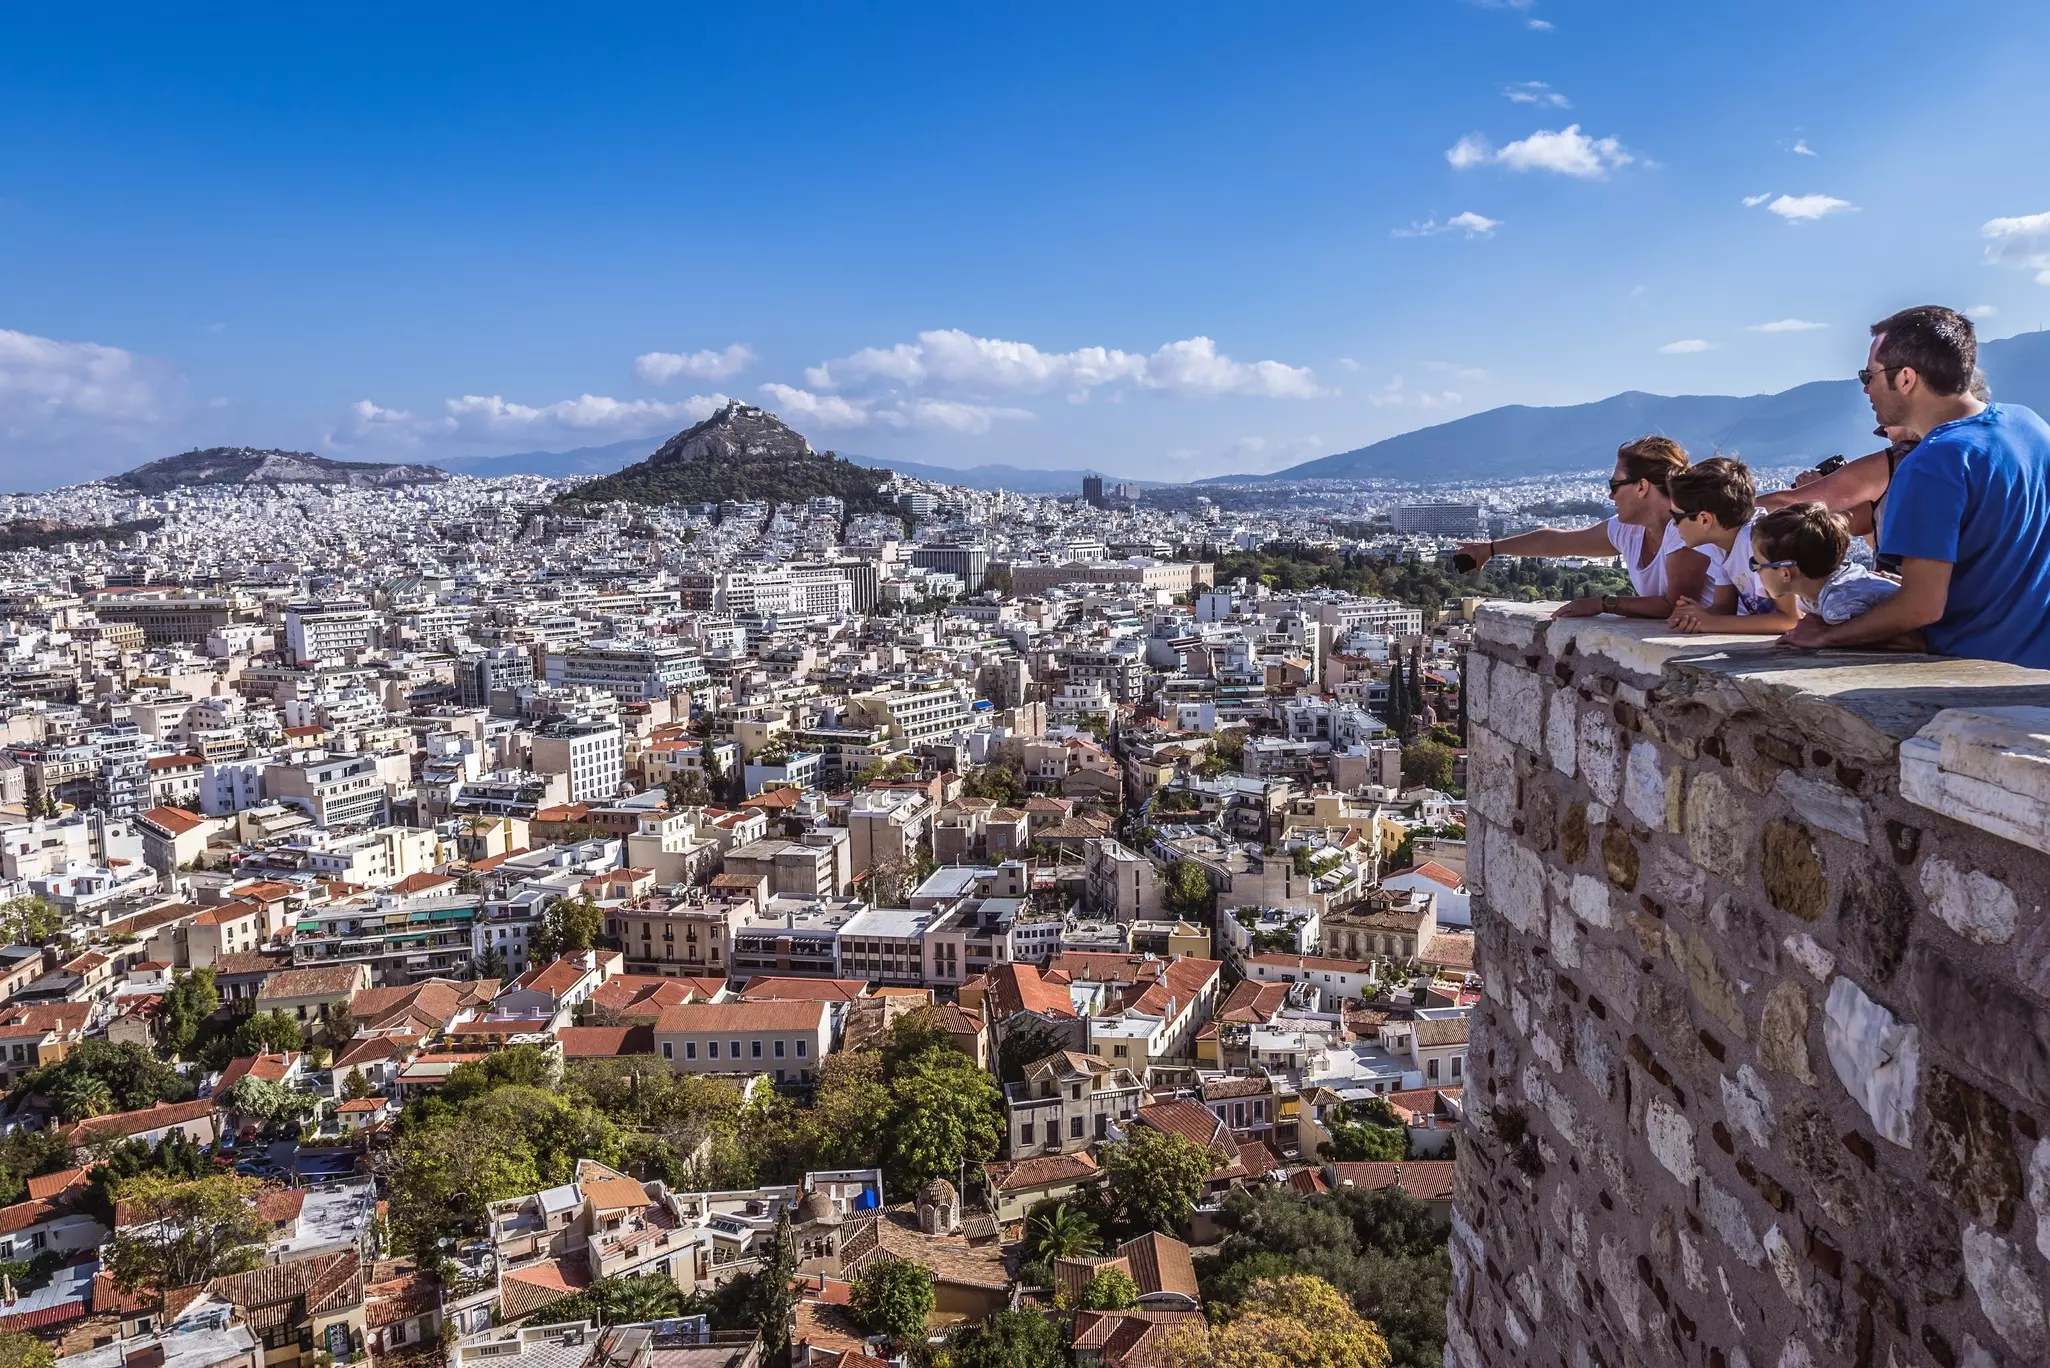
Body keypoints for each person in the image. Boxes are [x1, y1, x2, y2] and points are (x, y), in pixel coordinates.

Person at [1780, 306, 2050, 667]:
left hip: (1975, 669)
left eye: (1869, 374)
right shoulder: (2029, 424)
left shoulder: (1932, 463)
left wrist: (1827, 636)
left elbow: (1920, 606)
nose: (1865, 388)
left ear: (1906, 378)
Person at [1455, 435, 1707, 619]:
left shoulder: (1684, 529)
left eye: (1615, 485)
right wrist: (1490, 549)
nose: (1611, 496)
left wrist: (1605, 603)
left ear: (1642, 487)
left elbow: (1674, 605)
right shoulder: (1630, 529)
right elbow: (1557, 542)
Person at [1661, 457, 1801, 634]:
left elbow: (1790, 619)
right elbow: (1724, 607)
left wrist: (1710, 623)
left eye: (1676, 516)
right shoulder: (1720, 546)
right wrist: (1694, 616)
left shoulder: (1761, 543)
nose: (1673, 524)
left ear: (1704, 519)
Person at [1744, 503, 1905, 641]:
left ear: (1785, 573)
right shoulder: (1812, 597)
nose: (1756, 572)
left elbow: (1908, 639)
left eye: (1756, 564)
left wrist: (1824, 636)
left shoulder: (1839, 607)